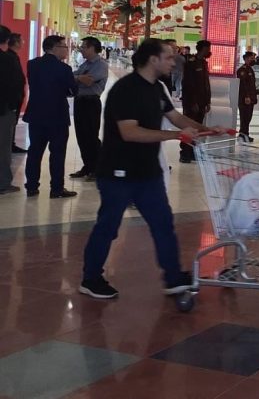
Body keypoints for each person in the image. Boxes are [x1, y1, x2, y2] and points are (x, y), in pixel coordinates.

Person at [79, 39, 224, 300]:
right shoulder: (126, 90)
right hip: (118, 173)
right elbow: (130, 132)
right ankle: (90, 279)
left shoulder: (157, 88)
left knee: (163, 223)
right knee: (108, 226)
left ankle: (173, 277)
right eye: (168, 57)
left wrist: (206, 129)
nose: (173, 62)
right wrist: (177, 136)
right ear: (153, 59)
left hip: (147, 172)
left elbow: (175, 117)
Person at [23, 35, 78, 199]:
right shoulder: (64, 69)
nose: (66, 50)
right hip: (57, 116)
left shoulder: (32, 64)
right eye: (64, 46)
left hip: (36, 115)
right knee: (57, 154)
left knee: (34, 152)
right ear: (54, 48)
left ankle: (31, 187)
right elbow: (72, 91)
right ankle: (56, 189)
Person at [69, 37, 109, 181]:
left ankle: (98, 169)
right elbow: (74, 77)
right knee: (82, 137)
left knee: (91, 137)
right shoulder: (85, 64)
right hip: (80, 101)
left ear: (92, 48)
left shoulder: (101, 65)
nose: (81, 49)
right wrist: (79, 77)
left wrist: (78, 78)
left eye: (84, 47)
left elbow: (88, 81)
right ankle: (88, 166)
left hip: (91, 103)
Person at [0, 26, 24, 194]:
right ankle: (3, 183)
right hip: (4, 109)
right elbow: (16, 84)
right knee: (3, 147)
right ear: (8, 40)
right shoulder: (8, 59)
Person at [179, 40, 211, 163]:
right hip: (191, 103)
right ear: (202, 49)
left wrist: (208, 101)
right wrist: (193, 103)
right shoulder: (191, 63)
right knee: (189, 127)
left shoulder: (204, 63)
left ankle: (192, 152)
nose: (209, 51)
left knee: (197, 129)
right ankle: (184, 153)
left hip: (202, 102)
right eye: (208, 49)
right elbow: (187, 85)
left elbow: (206, 84)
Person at [7, 33, 27, 154]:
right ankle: (9, 145)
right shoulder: (10, 57)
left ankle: (11, 144)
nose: (23, 42)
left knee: (13, 122)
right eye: (21, 40)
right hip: (13, 97)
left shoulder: (13, 56)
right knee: (10, 122)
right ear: (15, 42)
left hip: (16, 96)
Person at [236, 51, 258, 142]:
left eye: (254, 58)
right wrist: (247, 96)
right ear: (246, 59)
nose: (254, 60)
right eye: (252, 58)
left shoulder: (250, 69)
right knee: (244, 117)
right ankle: (243, 134)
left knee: (248, 117)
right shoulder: (242, 70)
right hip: (245, 99)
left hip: (250, 98)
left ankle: (245, 134)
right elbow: (243, 85)